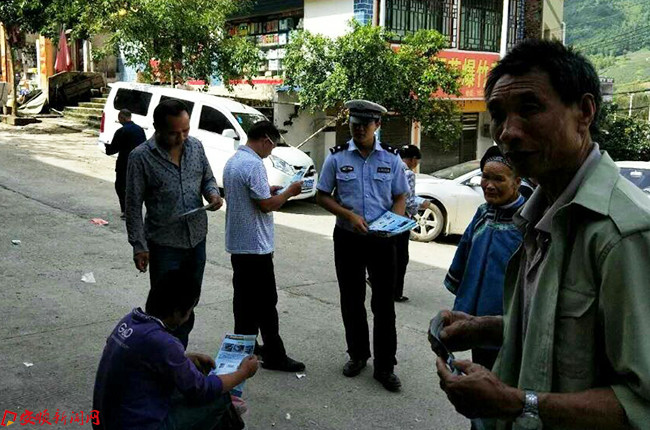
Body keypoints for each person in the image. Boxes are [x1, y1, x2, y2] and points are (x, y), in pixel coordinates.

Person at [435, 39, 650, 430]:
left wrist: (519, 404)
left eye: (530, 108)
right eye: (498, 114)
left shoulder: (624, 233)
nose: (508, 132)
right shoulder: (540, 215)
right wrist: (485, 327)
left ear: (584, 112)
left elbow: (642, 403)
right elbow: (559, 333)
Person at [316, 100, 409, 392]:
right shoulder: (337, 157)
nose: (359, 130)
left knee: (384, 304)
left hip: (382, 241)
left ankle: (385, 366)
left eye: (365, 125)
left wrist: (393, 224)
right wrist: (348, 215)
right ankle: (357, 355)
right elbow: (322, 195)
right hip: (348, 238)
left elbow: (400, 196)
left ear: (377, 125)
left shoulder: (391, 158)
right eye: (354, 125)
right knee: (351, 299)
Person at [92, 269, 259, 430]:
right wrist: (243, 372)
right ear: (177, 312)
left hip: (104, 421)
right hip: (138, 425)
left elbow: (142, 359)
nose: (189, 315)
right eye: (190, 310)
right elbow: (202, 389)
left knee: (186, 381)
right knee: (219, 397)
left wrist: (186, 359)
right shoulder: (164, 342)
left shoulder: (130, 321)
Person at [125, 99, 223, 348]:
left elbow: (208, 179)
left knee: (187, 304)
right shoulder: (141, 157)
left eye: (185, 130)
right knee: (164, 309)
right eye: (173, 133)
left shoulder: (196, 147)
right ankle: (159, 354)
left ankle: (178, 354)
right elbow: (133, 205)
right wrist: (139, 245)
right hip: (164, 245)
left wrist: (213, 195)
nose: (181, 138)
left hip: (196, 240)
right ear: (157, 128)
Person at [223, 120, 305, 373]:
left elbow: (250, 194)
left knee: (244, 302)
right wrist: (290, 192)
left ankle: (245, 348)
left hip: (239, 245)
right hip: (255, 247)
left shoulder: (234, 161)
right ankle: (274, 355)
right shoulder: (254, 164)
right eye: (273, 145)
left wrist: (268, 190)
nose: (272, 151)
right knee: (266, 303)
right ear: (266, 139)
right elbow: (267, 205)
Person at [444, 145, 524, 372]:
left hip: (510, 319)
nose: (489, 185)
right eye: (485, 177)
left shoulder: (528, 220)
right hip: (476, 316)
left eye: (499, 179)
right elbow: (464, 251)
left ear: (517, 182)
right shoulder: (482, 212)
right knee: (481, 365)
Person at [395, 144, 437, 303]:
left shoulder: (391, 167)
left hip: (386, 218)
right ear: (413, 159)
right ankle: (396, 292)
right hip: (401, 220)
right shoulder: (408, 173)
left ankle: (376, 279)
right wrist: (423, 204)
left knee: (389, 253)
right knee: (401, 258)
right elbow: (408, 200)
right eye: (417, 161)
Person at [104, 108, 146, 219]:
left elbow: (112, 150)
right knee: (135, 187)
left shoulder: (121, 131)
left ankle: (126, 210)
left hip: (124, 163)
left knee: (121, 186)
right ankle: (134, 210)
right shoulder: (140, 130)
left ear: (122, 118)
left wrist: (107, 146)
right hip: (138, 164)